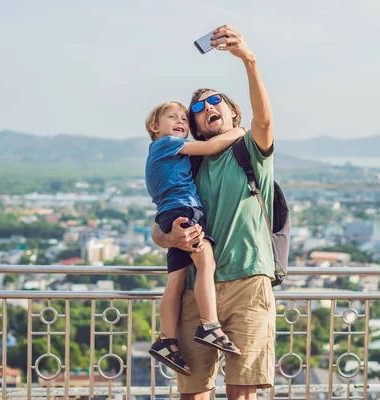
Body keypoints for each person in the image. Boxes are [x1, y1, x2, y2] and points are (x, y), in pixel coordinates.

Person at [152, 25, 276, 400]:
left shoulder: (250, 149)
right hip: (194, 287)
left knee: (242, 392)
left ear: (233, 111)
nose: (207, 109)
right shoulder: (187, 164)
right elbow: (159, 227)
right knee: (193, 392)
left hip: (247, 280)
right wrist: (169, 237)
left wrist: (248, 60)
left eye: (214, 101)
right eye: (198, 109)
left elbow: (265, 120)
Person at [144, 100, 245, 376]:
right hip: (184, 209)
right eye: (172, 118)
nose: (180, 122)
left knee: (175, 280)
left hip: (169, 213)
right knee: (206, 263)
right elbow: (211, 147)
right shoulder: (166, 144)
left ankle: (166, 340)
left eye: (184, 120)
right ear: (155, 127)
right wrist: (238, 131)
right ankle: (209, 324)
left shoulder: (164, 151)